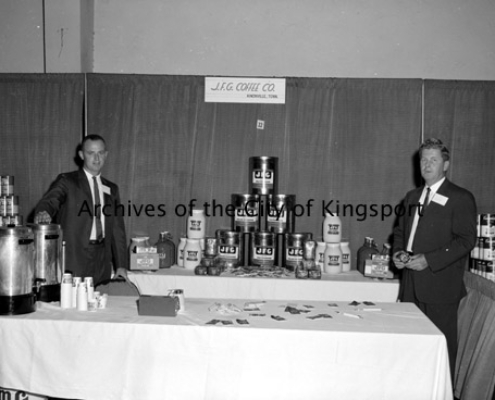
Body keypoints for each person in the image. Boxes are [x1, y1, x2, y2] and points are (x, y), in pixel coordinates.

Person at [392, 138, 477, 384]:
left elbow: (466, 240)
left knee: (441, 348)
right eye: (423, 160)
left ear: (445, 165)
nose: (427, 165)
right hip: (410, 286)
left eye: (434, 160)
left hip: (440, 287)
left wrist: (429, 260)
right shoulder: (411, 197)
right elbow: (400, 233)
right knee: (412, 347)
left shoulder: (460, 197)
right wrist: (398, 253)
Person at [34, 134, 128, 285]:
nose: (96, 158)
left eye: (100, 153)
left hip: (102, 259)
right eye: (91, 153)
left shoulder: (112, 188)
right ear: (81, 155)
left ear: (106, 154)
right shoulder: (67, 181)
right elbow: (51, 201)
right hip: (75, 258)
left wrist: (121, 265)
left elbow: (118, 230)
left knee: (100, 299)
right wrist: (43, 212)